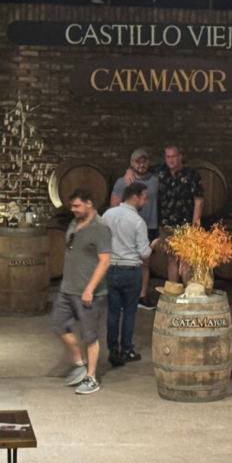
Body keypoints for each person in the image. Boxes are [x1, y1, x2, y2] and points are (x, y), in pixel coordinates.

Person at [51, 188, 112, 395]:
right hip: (67, 288)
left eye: (77, 206)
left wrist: (90, 289)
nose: (73, 210)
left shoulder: (100, 228)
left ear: (89, 203)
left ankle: (91, 378)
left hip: (88, 292)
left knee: (90, 336)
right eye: (72, 206)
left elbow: (105, 261)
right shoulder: (75, 222)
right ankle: (79, 363)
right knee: (58, 325)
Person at [128, 145, 203, 283]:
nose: (171, 160)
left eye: (174, 156)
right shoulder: (160, 171)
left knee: (186, 259)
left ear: (180, 157)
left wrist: (195, 225)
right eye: (168, 157)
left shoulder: (191, 174)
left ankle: (187, 292)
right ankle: (174, 290)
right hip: (166, 224)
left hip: (185, 224)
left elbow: (198, 200)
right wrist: (129, 171)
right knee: (171, 258)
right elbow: (141, 170)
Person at [102, 182, 154, 367]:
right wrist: (153, 246)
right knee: (130, 311)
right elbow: (144, 252)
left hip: (110, 268)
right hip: (131, 270)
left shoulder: (108, 214)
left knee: (113, 311)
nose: (146, 202)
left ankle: (112, 349)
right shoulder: (137, 221)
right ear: (135, 197)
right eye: (144, 197)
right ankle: (126, 349)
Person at [111, 148, 159, 309]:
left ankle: (142, 295)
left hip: (149, 224)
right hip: (129, 226)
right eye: (138, 162)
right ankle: (125, 295)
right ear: (132, 164)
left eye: (144, 161)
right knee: (128, 259)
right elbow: (114, 205)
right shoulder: (123, 181)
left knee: (145, 261)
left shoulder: (155, 180)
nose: (142, 164)